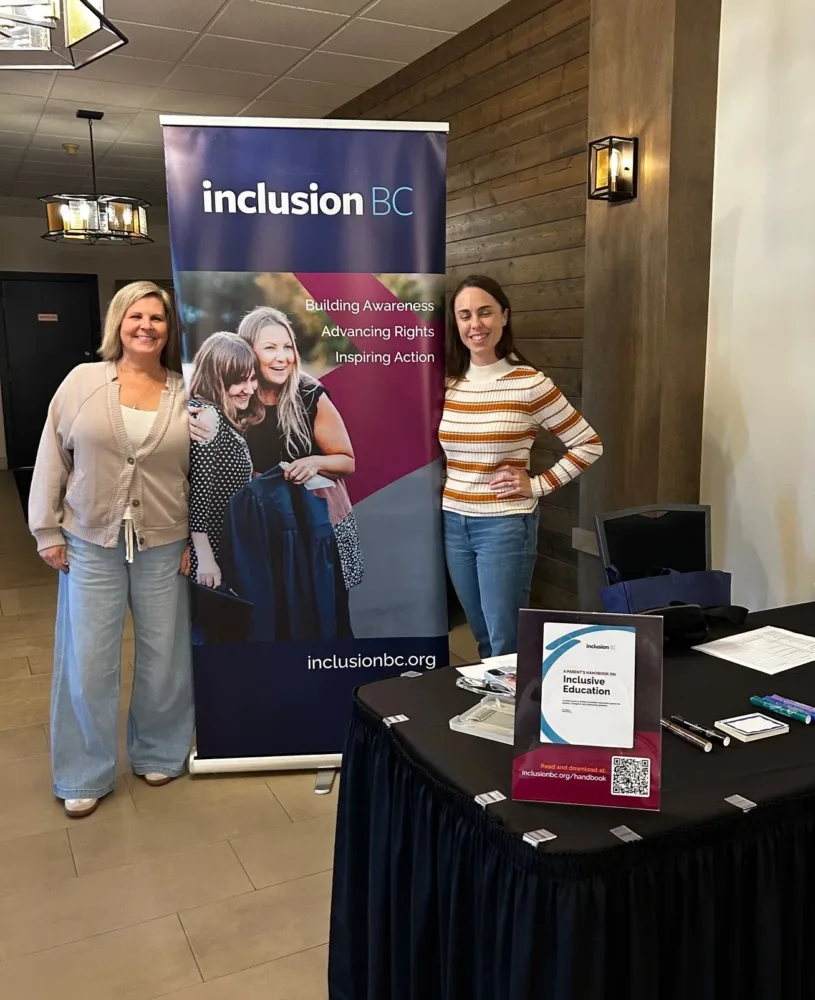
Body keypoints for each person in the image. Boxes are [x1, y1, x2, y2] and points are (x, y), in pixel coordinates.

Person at [28, 280, 194, 819]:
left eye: (157, 318)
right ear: (117, 324)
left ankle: (161, 750)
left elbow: (202, 474)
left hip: (165, 541)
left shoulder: (184, 389)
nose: (146, 326)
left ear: (169, 329)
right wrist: (47, 530)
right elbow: (53, 453)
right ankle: (83, 771)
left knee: (164, 656)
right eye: (135, 316)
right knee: (88, 660)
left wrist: (200, 541)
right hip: (90, 542)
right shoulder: (82, 382)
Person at [440, 275, 603, 659]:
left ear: (504, 316)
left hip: (503, 525)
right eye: (465, 315)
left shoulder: (529, 383)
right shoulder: (448, 384)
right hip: (453, 522)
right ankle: (491, 711)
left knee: (506, 641)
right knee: (480, 633)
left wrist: (539, 484)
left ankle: (514, 716)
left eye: (485, 313)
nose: (475, 324)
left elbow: (589, 443)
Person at [187, 332, 262, 589]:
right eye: (240, 381)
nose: (250, 389)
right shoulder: (209, 415)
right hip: (211, 553)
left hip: (226, 545)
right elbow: (199, 491)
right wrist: (205, 556)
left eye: (253, 379)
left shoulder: (219, 414)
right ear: (216, 378)